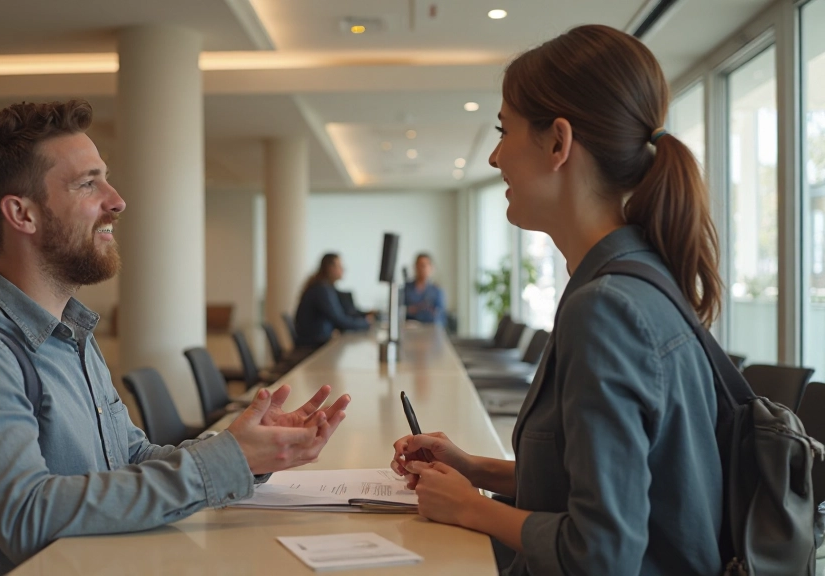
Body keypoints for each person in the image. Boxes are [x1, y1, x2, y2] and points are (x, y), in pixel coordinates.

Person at [0, 100, 351, 575]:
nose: (116, 199)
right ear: (23, 214)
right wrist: (226, 461)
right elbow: (27, 517)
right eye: (88, 183)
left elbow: (129, 458)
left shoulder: (71, 335)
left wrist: (247, 452)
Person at [391, 25, 723, 576]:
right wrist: (475, 469)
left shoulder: (607, 309)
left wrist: (471, 510)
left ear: (557, 143)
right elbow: (602, 486)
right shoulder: (637, 280)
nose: (495, 157)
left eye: (504, 131)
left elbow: (602, 553)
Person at [293, 253, 372, 348]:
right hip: (314, 344)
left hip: (317, 341)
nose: (343, 269)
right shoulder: (321, 289)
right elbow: (339, 320)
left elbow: (345, 311)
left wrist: (365, 316)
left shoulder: (326, 287)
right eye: (339, 266)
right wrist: (366, 323)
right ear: (330, 268)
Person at [403, 253, 446, 324]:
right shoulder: (406, 289)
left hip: (431, 330)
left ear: (431, 267)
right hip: (410, 329)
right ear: (415, 267)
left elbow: (440, 315)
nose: (422, 268)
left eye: (425, 265)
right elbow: (401, 311)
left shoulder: (437, 291)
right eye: (420, 265)